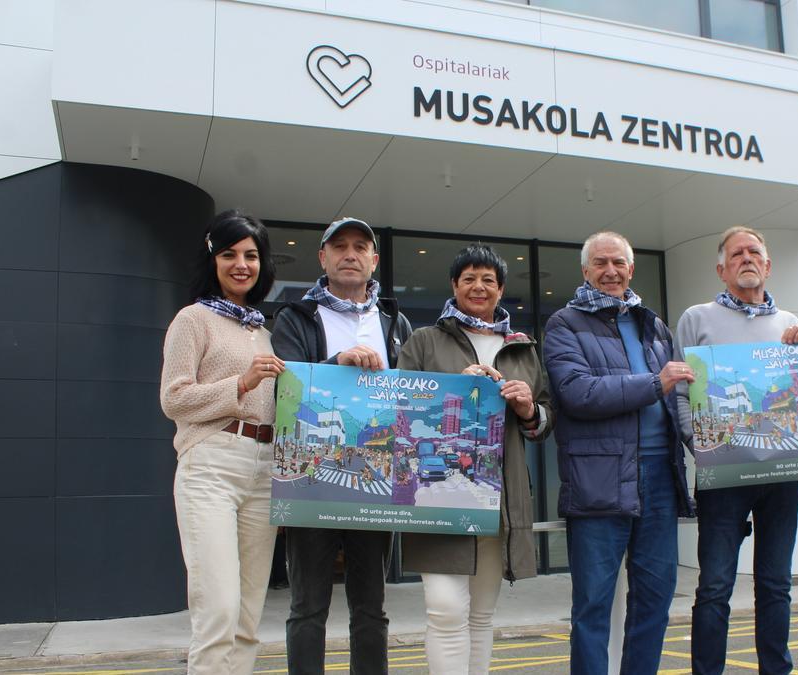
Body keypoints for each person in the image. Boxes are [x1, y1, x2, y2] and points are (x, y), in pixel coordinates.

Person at [543, 231, 696, 674]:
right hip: (598, 480)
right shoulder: (564, 323)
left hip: (661, 478)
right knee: (592, 606)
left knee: (655, 600)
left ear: (631, 269)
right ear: (585, 271)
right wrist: (654, 383)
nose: (610, 271)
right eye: (601, 263)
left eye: (618, 263)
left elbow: (678, 399)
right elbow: (577, 393)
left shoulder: (654, 325)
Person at [398, 243, 555, 674]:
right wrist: (451, 387)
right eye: (469, 278)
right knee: (446, 610)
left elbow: (544, 421)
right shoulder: (424, 341)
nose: (479, 286)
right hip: (437, 500)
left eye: (488, 279)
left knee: (482, 616)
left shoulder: (522, 348)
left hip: (500, 498)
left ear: (501, 289)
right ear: (454, 285)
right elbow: (399, 412)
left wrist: (528, 408)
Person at [271, 217, 413, 675]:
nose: (350, 254)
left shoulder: (395, 322)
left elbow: (413, 392)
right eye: (339, 247)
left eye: (360, 247)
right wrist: (337, 362)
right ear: (323, 258)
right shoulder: (295, 318)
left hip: (374, 488)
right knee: (307, 606)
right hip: (311, 486)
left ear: (374, 260)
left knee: (371, 608)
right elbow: (284, 389)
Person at [673, 226, 798, 675]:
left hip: (781, 474)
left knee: (776, 583)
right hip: (722, 473)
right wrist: (700, 445)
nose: (746, 258)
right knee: (715, 586)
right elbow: (679, 393)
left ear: (768, 266)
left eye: (754, 252)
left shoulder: (791, 325)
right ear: (721, 269)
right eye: (736, 254)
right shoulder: (697, 319)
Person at [160, 209, 284, 674]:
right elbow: (174, 399)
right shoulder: (193, 319)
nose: (241, 265)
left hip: (264, 469)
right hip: (211, 463)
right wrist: (241, 383)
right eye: (229, 254)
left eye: (251, 255)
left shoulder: (264, 332)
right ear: (212, 260)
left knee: (248, 618)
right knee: (218, 610)